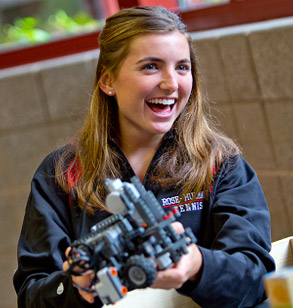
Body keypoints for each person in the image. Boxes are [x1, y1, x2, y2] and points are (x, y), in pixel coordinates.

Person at [13, 6, 275, 308]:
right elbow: (31, 294)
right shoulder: (62, 173)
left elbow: (256, 279)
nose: (171, 83)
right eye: (150, 66)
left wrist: (196, 265)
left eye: (182, 67)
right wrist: (77, 289)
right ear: (108, 80)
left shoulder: (221, 166)